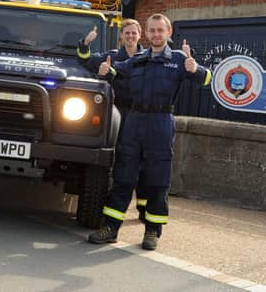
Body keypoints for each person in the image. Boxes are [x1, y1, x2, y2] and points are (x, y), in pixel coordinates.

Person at [87, 13, 211, 250]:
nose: (155, 34)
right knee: (123, 176)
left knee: (157, 179)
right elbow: (117, 72)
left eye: (159, 30)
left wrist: (195, 68)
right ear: (147, 33)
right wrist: (106, 70)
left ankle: (152, 231)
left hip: (161, 122)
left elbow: (206, 79)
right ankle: (111, 227)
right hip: (134, 121)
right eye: (152, 30)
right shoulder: (138, 59)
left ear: (168, 33)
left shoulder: (178, 59)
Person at [77, 19, 150, 221]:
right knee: (120, 160)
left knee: (144, 162)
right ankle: (112, 204)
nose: (130, 36)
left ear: (140, 34)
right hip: (119, 113)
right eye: (126, 33)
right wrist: (85, 44)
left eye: (134, 33)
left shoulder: (149, 57)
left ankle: (144, 207)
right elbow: (85, 60)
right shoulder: (111, 56)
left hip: (143, 115)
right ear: (121, 36)